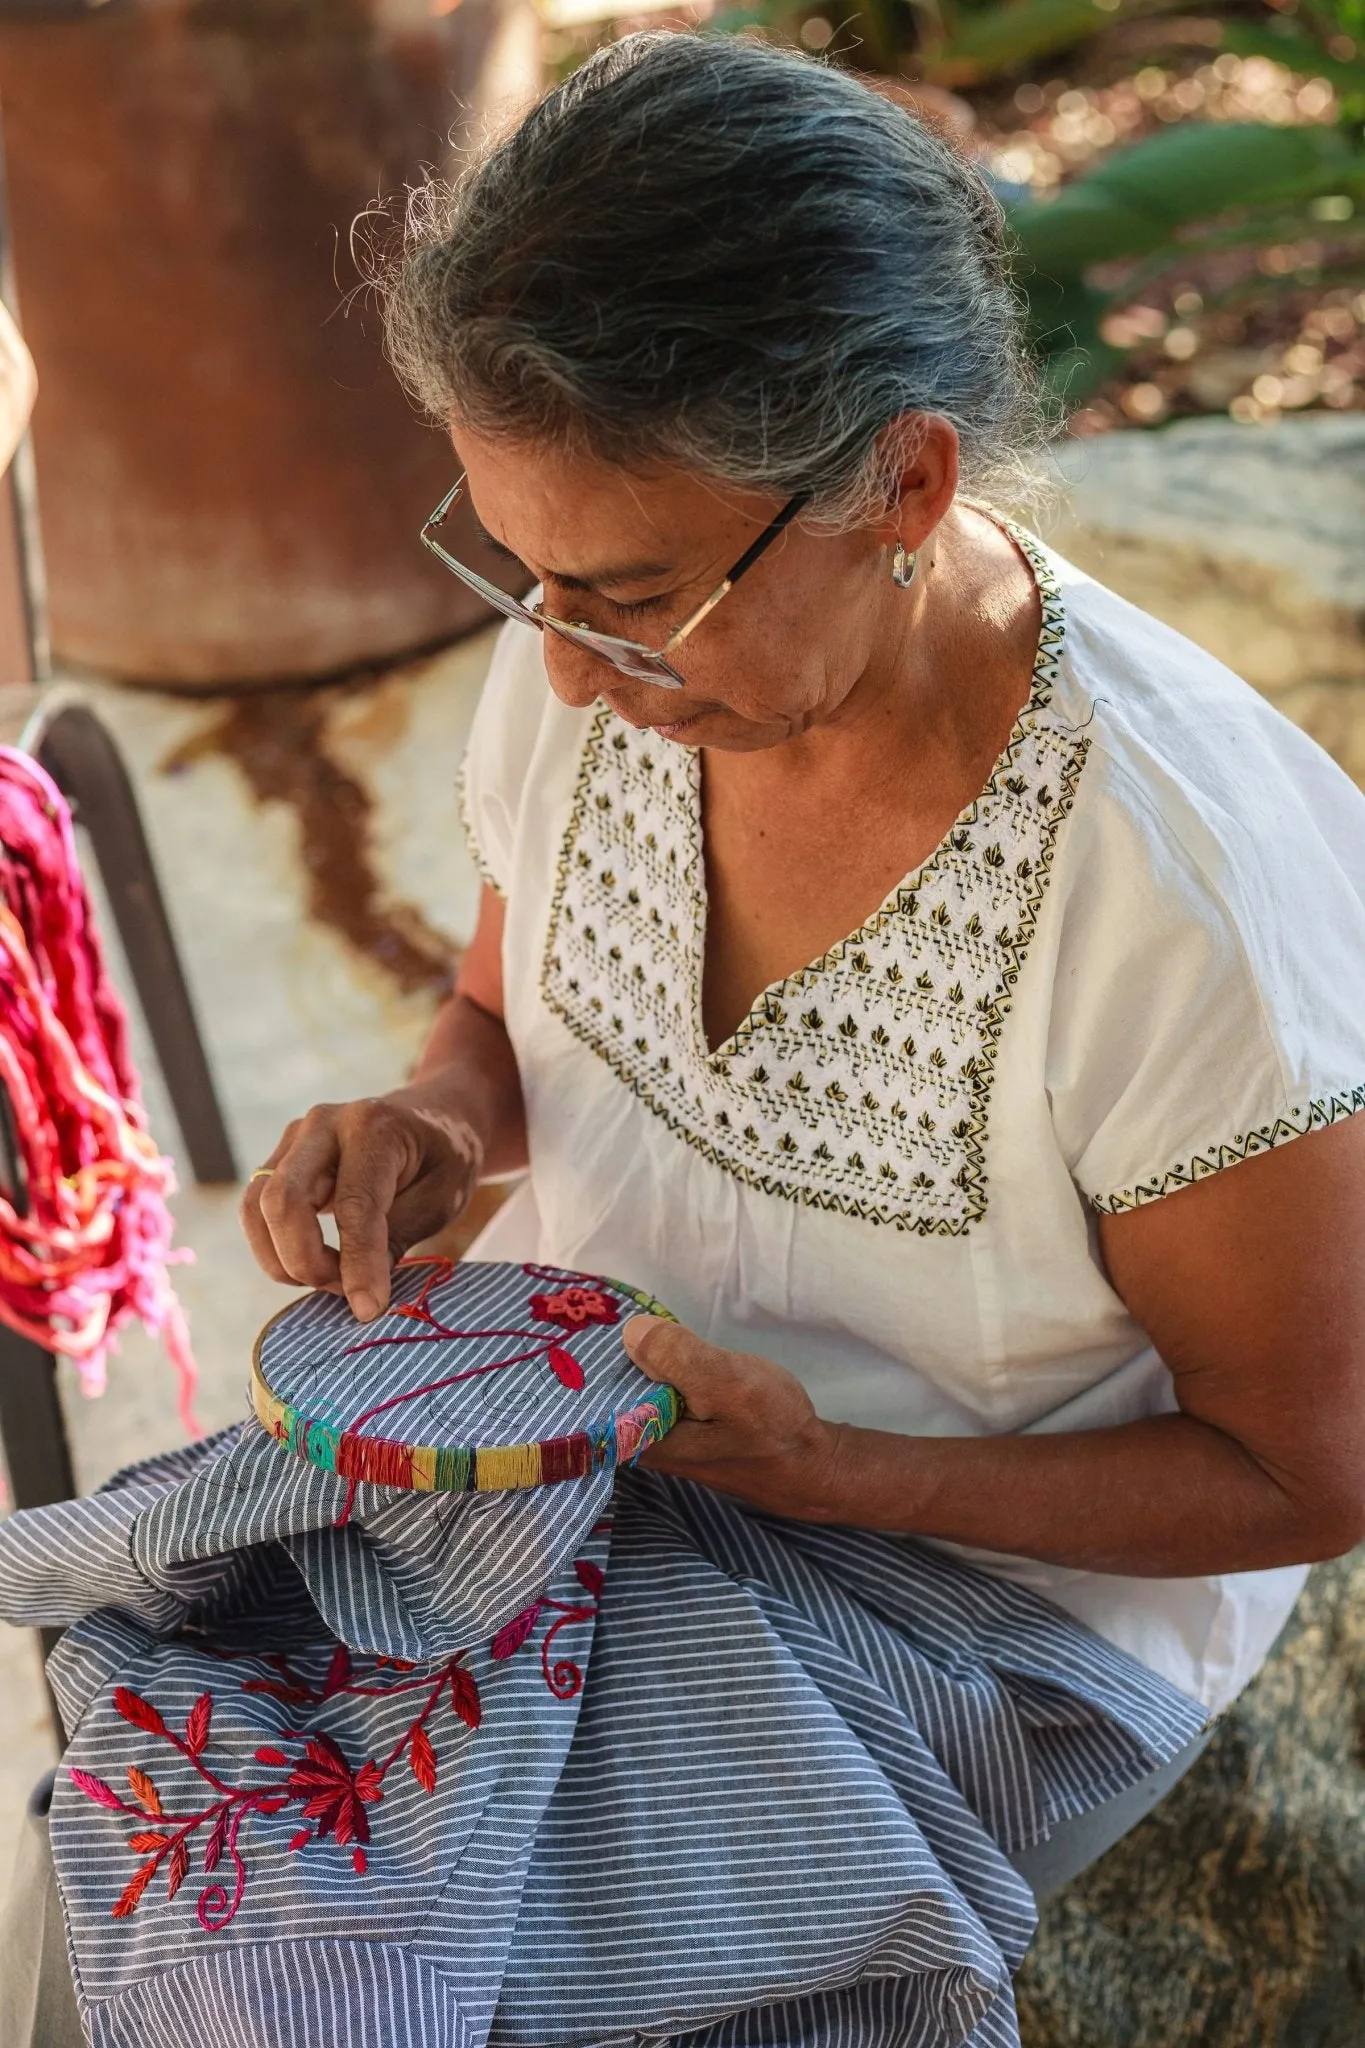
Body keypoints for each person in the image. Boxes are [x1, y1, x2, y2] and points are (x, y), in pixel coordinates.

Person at [11, 29, 1365, 2048]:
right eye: (524, 574)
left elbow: (1303, 1463)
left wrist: (844, 1472)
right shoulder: (605, 665)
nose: (559, 662)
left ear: (900, 480)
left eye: (631, 593)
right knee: (177, 1820)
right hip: (603, 1463)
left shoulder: (1177, 909)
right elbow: (497, 999)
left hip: (978, 1588)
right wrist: (431, 1118)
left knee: (397, 1987)